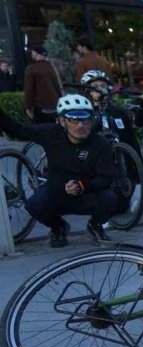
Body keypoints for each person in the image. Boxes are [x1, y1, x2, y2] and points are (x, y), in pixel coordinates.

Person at [0, 94, 116, 247]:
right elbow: (18, 130)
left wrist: (82, 186)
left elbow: (106, 178)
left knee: (112, 199)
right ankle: (58, 227)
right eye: (73, 120)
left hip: (87, 194)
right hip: (57, 193)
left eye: (85, 119)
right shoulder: (52, 134)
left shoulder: (100, 144)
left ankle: (95, 225)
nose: (80, 125)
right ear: (62, 121)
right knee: (34, 204)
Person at [79, 70, 142, 157]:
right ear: (86, 89)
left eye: (103, 85)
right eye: (94, 86)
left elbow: (132, 141)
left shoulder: (118, 112)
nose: (99, 89)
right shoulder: (83, 113)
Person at [24, 45, 61, 123]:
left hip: (40, 107)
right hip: (55, 105)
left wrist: (28, 107)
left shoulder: (31, 69)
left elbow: (29, 90)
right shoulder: (52, 67)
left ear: (35, 53)